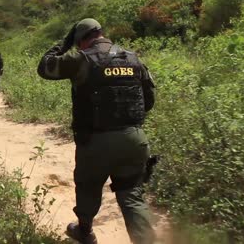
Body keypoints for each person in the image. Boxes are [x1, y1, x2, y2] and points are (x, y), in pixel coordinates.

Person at [37, 18, 156, 244]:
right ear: (101, 33)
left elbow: (45, 68)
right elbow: (148, 101)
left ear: (81, 39)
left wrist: (64, 44)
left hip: (95, 141)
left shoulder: (81, 58)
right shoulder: (132, 58)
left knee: (88, 186)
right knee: (132, 196)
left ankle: (85, 232)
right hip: (134, 138)